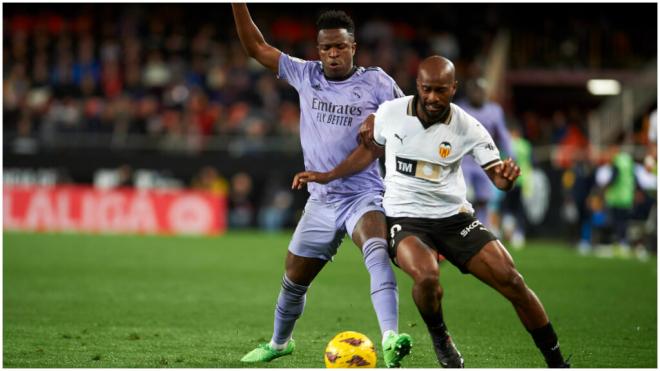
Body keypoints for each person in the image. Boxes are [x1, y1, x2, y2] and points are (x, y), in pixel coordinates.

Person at [293, 56, 570, 368]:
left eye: (441, 90)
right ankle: (441, 339)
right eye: (427, 89)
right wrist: (328, 175)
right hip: (406, 220)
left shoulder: (468, 126)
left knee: (513, 281)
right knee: (426, 277)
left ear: (453, 88)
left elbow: (497, 176)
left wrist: (504, 181)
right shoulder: (390, 113)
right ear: (418, 87)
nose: (433, 98)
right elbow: (368, 152)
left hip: (454, 219)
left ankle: (557, 362)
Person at [231, 4, 412, 367]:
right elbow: (255, 48)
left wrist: (383, 118)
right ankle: (280, 343)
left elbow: (409, 122)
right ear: (318, 50)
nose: (333, 54)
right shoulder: (305, 74)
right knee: (293, 279)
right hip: (321, 200)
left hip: (363, 194)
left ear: (353, 47)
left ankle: (390, 337)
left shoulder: (378, 82)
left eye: (340, 47)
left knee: (376, 251)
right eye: (327, 48)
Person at [456, 78, 514, 233]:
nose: (477, 94)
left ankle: (482, 230)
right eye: (474, 90)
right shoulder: (460, 108)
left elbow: (502, 134)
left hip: (485, 161)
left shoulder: (495, 110)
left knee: (484, 199)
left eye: (480, 91)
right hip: (464, 161)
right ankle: (461, 230)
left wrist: (510, 154)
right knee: (464, 198)